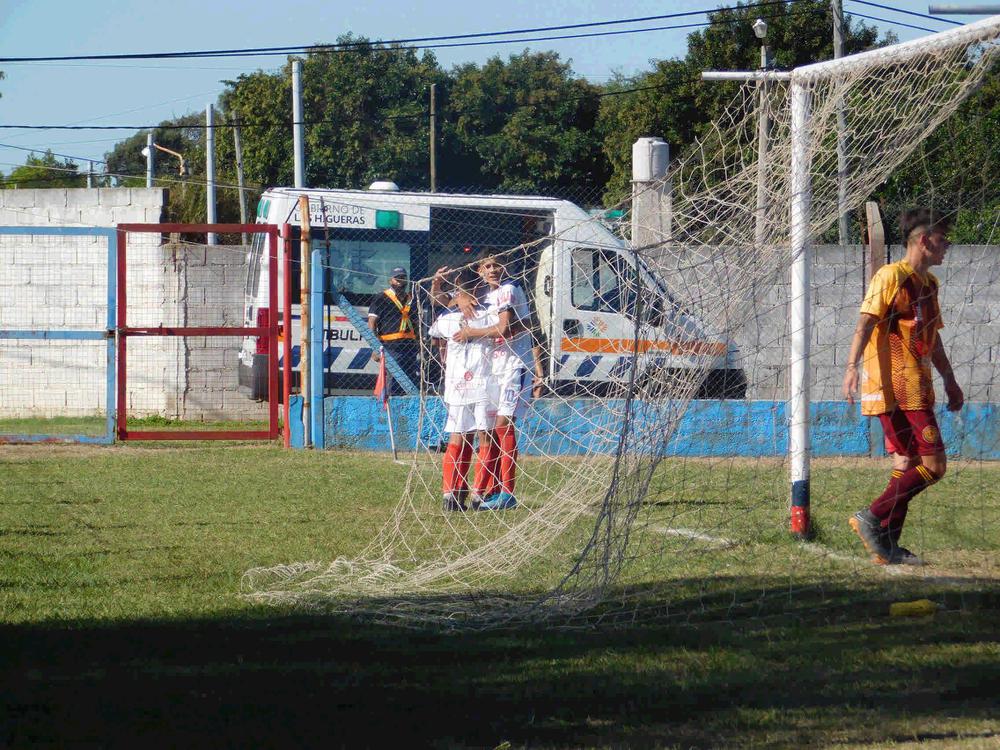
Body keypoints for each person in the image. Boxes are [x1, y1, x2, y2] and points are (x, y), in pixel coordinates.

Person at [842, 208, 964, 565]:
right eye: (943, 239)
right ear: (924, 241)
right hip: (895, 386)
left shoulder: (929, 285)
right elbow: (865, 324)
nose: (947, 246)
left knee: (909, 459)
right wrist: (851, 368)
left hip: (919, 385)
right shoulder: (891, 276)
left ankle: (886, 544)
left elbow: (934, 339)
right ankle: (872, 515)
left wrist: (950, 379)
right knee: (935, 466)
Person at [449, 253, 542, 511]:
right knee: (491, 429)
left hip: (514, 365)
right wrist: (460, 294)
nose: (493, 269)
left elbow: (503, 328)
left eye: (497, 265)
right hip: (494, 369)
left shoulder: (510, 289)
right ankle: (494, 488)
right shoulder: (486, 296)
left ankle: (508, 493)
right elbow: (446, 299)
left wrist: (470, 333)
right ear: (479, 270)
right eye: (487, 266)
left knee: (503, 424)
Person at [428, 291, 497, 512]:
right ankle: (478, 495)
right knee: (484, 438)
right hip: (482, 384)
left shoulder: (446, 318)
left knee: (458, 438)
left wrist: (453, 303)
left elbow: (434, 333)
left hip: (457, 386)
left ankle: (450, 494)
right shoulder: (489, 313)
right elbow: (504, 329)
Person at [367, 266, 421, 394]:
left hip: (409, 348)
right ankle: (388, 410)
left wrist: (418, 343)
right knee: (391, 384)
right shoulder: (381, 298)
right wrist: (375, 347)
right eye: (397, 279)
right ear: (390, 281)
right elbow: (372, 323)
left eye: (403, 278)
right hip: (390, 348)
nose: (400, 281)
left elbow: (416, 324)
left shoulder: (412, 300)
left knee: (409, 382)